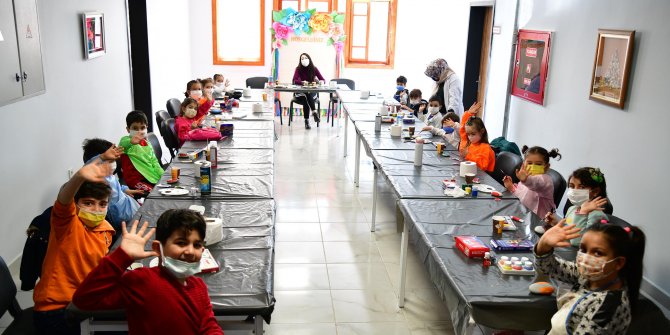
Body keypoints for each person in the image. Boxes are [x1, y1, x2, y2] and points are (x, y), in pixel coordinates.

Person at [73, 210, 223, 335]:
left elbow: (208, 324)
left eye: (196, 245)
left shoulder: (199, 286)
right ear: (158, 249)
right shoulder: (142, 280)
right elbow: (85, 299)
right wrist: (121, 256)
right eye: (181, 243)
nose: (190, 251)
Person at [32, 162, 115, 335]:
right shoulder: (67, 224)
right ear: (76, 204)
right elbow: (63, 201)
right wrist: (79, 177)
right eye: (88, 203)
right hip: (57, 310)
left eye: (102, 204)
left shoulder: (105, 228)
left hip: (84, 299)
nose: (96, 210)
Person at [534, 221, 645, 334]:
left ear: (618, 263)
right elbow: (550, 267)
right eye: (583, 250)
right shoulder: (590, 277)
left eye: (597, 253)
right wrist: (544, 244)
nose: (586, 258)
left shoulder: (608, 307)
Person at [82, 138, 142, 232]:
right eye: (109, 160)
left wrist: (124, 189)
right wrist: (101, 157)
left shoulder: (109, 174)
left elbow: (115, 185)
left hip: (133, 209)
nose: (113, 163)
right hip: (125, 221)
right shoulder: (96, 181)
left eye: (113, 160)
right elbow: (87, 167)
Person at [543, 168, 608, 245]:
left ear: (595, 192)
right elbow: (569, 229)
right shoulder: (573, 208)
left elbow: (577, 242)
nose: (574, 190)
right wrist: (556, 223)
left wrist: (583, 213)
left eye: (581, 187)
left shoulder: (598, 216)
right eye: (572, 186)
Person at [503, 146, 561, 219]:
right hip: (523, 214)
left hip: (538, 220)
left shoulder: (545, 180)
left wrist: (525, 180)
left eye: (538, 164)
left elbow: (536, 184)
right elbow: (521, 195)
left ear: (546, 167)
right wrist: (511, 187)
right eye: (529, 163)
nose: (533, 166)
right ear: (524, 164)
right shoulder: (526, 178)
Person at [119, 111, 164, 192]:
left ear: (146, 127)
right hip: (136, 181)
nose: (139, 131)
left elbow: (154, 162)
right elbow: (122, 145)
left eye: (142, 128)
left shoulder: (147, 143)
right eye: (135, 128)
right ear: (128, 129)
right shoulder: (126, 140)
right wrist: (131, 142)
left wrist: (163, 175)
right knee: (154, 194)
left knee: (167, 189)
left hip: (151, 176)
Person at [458, 102, 494, 172]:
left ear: (482, 131)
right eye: (468, 134)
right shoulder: (470, 143)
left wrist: (467, 155)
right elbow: (463, 130)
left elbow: (482, 166)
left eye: (473, 134)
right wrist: (468, 114)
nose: (470, 137)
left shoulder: (485, 148)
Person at [292, 53, 325, 129]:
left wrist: (320, 82)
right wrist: (302, 82)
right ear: (300, 61)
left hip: (311, 93)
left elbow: (323, 79)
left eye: (305, 58)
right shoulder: (298, 69)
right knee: (306, 96)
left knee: (307, 96)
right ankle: (314, 112)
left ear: (309, 59)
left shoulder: (314, 68)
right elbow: (294, 80)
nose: (304, 60)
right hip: (300, 93)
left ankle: (306, 121)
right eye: (302, 58)